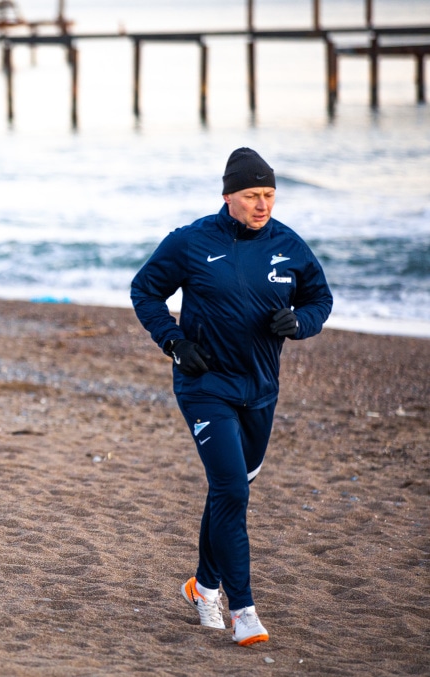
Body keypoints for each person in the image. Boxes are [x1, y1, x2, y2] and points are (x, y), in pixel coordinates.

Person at [130, 148, 333, 645]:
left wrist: (301, 322)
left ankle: (203, 586)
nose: (262, 205)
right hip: (205, 387)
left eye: (269, 195)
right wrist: (174, 342)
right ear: (228, 196)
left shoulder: (289, 245)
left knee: (229, 492)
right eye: (251, 196)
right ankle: (243, 612)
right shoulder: (191, 242)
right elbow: (145, 291)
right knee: (233, 491)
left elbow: (319, 298)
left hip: (261, 389)